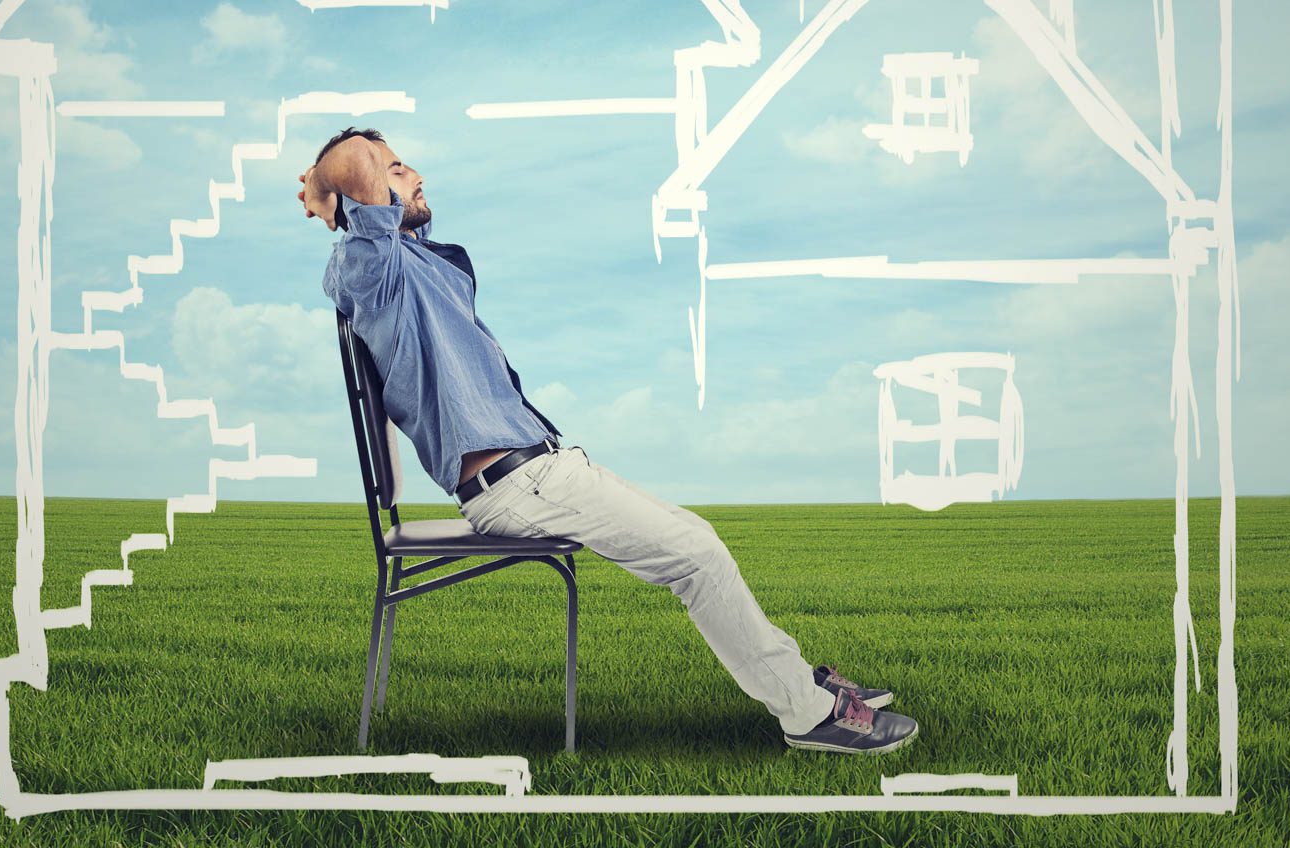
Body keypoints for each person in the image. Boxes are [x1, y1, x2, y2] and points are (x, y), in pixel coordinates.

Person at [299, 127, 918, 755]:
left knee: (696, 538)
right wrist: (325, 188)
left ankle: (797, 681)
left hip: (540, 472)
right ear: (362, 203)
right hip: (517, 486)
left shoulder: (414, 268)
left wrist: (363, 186)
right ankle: (807, 715)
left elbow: (372, 181)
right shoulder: (370, 270)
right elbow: (354, 161)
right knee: (698, 557)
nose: (417, 174)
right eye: (398, 169)